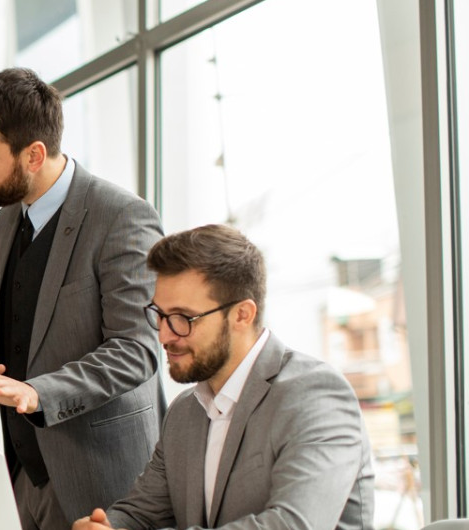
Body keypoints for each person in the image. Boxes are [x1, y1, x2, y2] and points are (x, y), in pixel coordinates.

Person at [0, 67, 164, 527]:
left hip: (105, 481)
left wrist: (36, 393)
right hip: (26, 476)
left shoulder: (122, 216)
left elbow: (136, 351)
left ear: (34, 155)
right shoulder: (7, 219)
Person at [73, 224, 374, 529]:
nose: (164, 334)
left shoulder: (316, 396)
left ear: (243, 314)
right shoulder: (183, 412)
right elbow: (141, 512)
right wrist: (107, 526)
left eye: (182, 318)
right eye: (160, 314)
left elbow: (292, 524)